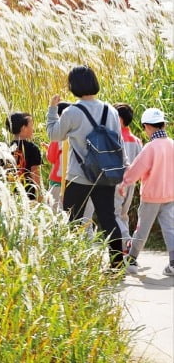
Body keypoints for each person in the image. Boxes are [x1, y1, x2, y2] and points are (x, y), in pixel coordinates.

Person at [47, 65, 124, 270]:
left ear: (73, 85)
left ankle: (74, 265)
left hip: (79, 176)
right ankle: (117, 265)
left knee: (72, 219)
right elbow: (118, 142)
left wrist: (52, 110)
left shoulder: (72, 111)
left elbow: (54, 135)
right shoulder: (111, 110)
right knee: (109, 219)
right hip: (105, 175)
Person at [118, 108, 174, 275]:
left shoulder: (151, 147)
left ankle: (132, 259)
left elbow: (137, 168)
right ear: (163, 124)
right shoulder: (172, 144)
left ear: (147, 127)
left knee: (142, 229)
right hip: (170, 195)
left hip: (151, 196)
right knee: (171, 228)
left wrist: (124, 182)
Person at [112, 103, 143, 253]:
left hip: (117, 182)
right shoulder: (137, 141)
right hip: (132, 183)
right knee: (123, 214)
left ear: (119, 119)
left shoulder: (115, 138)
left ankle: (127, 242)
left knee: (114, 214)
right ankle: (125, 246)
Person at [6, 111, 42, 201]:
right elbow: (35, 175)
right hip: (29, 196)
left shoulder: (4, 148)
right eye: (31, 126)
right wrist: (40, 196)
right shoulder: (33, 149)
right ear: (23, 128)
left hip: (9, 195)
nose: (33, 129)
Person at [45, 101, 71, 211]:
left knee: (54, 211)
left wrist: (48, 150)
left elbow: (51, 157)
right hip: (72, 179)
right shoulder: (75, 133)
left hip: (57, 179)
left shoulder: (57, 135)